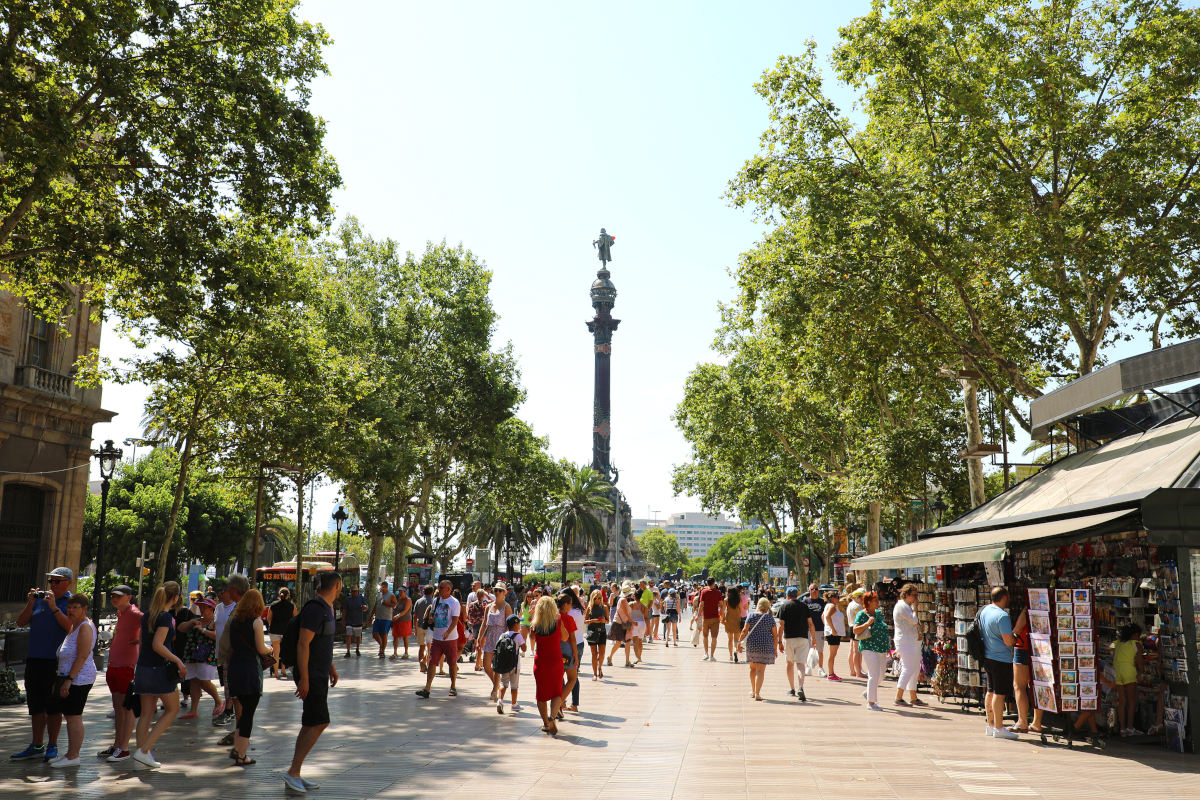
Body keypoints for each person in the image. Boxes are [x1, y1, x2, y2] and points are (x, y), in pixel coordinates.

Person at [284, 570, 341, 795]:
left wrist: (331, 667)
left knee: (311, 722)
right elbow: (303, 644)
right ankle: (292, 771)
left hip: (318, 672)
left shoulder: (327, 609)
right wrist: (304, 678)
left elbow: (321, 643)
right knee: (320, 721)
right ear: (336, 585)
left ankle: (295, 772)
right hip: (311, 674)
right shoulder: (315, 609)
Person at [11, 566, 73, 763]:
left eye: (57, 581)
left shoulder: (71, 603)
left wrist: (54, 607)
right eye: (51, 582)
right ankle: (36, 744)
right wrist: (31, 602)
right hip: (35, 659)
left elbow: (71, 627)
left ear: (68, 583)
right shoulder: (39, 601)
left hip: (55, 661)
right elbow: (20, 622)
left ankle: (52, 744)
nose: (52, 585)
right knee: (35, 705)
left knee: (53, 705)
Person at [132, 581, 188, 768]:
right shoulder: (164, 617)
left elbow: (144, 643)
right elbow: (158, 644)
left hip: (143, 668)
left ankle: (142, 752)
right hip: (158, 669)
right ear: (175, 597)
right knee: (172, 709)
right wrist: (178, 660)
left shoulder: (148, 615)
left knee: (146, 713)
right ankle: (144, 750)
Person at [46, 593, 96, 767]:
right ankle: (69, 754)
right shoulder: (74, 626)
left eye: (76, 607)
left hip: (79, 678)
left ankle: (73, 755)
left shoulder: (85, 627)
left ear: (84, 609)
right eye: (69, 607)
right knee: (69, 714)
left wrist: (69, 679)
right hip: (67, 676)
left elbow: (82, 656)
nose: (71, 610)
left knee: (74, 716)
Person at [227, 588, 274, 766]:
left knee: (242, 712)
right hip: (250, 669)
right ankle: (241, 755)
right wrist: (270, 649)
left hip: (235, 667)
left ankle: (237, 749)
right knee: (248, 714)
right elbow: (261, 649)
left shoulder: (234, 621)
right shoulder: (256, 622)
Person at [98, 584, 141, 762]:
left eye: (118, 596)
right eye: (112, 596)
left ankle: (123, 747)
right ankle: (117, 744)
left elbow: (154, 625)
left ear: (128, 597)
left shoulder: (135, 613)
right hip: (114, 665)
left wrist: (139, 641)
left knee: (125, 708)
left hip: (127, 666)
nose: (114, 598)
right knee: (118, 708)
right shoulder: (120, 613)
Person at [978, 586, 1019, 739]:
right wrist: (1015, 637)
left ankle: (991, 725)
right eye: (1008, 597)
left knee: (990, 691)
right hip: (1001, 658)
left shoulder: (985, 610)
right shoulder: (1002, 616)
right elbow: (1008, 641)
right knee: (999, 693)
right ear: (1003, 598)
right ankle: (999, 728)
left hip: (988, 656)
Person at [414, 579, 461, 699]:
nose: (438, 589)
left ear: (448, 589)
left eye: (441, 587)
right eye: (438, 587)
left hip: (450, 639)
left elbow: (455, 620)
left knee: (452, 663)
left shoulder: (454, 602)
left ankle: (453, 686)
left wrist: (448, 632)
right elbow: (432, 614)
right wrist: (431, 619)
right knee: (432, 662)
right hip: (437, 637)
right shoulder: (436, 600)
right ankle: (427, 688)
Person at [531, 596, 569, 735]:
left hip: (540, 662)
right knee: (556, 692)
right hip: (555, 661)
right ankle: (552, 717)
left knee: (541, 695)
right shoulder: (558, 621)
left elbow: (533, 639)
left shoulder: (534, 625)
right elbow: (565, 637)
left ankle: (546, 724)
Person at [179, 597, 222, 719]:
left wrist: (203, 630)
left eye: (204, 607)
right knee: (193, 681)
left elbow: (218, 636)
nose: (201, 608)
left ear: (211, 608)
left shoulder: (215, 621)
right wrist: (191, 623)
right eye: (200, 606)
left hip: (207, 655)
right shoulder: (196, 620)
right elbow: (181, 628)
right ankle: (193, 710)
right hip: (192, 654)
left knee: (204, 680)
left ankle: (218, 700)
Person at [214, 574, 247, 728]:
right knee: (228, 686)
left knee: (233, 688)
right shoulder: (220, 608)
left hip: (236, 656)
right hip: (225, 654)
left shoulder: (241, 609)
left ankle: (232, 717)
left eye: (226, 590)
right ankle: (239, 731)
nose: (222, 593)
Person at [776, 587, 817, 701]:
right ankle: (800, 687)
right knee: (800, 664)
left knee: (789, 663)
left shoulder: (784, 606)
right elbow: (811, 623)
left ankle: (792, 689)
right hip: (803, 638)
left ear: (788, 595)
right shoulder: (804, 606)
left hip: (789, 638)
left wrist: (779, 641)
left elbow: (781, 625)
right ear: (797, 595)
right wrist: (813, 638)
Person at [852, 591, 889, 711]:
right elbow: (855, 630)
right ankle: (871, 703)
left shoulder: (878, 613)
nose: (878, 602)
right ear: (868, 602)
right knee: (873, 674)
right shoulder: (861, 615)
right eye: (875, 600)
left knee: (881, 675)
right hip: (868, 647)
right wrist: (867, 623)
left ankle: (868, 692)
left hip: (881, 647)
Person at [738, 598, 780, 701]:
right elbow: (775, 635)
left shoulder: (751, 616)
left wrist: (739, 643)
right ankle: (757, 693)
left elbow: (744, 631)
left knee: (752, 668)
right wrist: (775, 649)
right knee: (761, 670)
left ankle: (753, 691)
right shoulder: (770, 618)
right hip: (765, 645)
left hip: (752, 644)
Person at [1010, 607, 1043, 734]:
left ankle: (1022, 721)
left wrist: (1010, 638)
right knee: (1036, 686)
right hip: (1041, 649)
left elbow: (1018, 630)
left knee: (1019, 686)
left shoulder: (1027, 609)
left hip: (1023, 647)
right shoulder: (1046, 608)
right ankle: (1037, 722)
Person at [892, 583, 926, 706]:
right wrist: (916, 608)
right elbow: (914, 620)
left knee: (915, 668)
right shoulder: (902, 606)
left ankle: (913, 696)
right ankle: (898, 696)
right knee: (908, 668)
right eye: (914, 595)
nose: (916, 598)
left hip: (912, 641)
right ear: (906, 595)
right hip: (905, 642)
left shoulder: (906, 605)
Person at [481, 585, 514, 700]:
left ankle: (495, 690)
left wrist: (510, 640)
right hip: (489, 637)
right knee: (486, 665)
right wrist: (480, 638)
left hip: (501, 639)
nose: (497, 592)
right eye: (496, 590)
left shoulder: (507, 607)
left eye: (500, 590)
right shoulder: (488, 606)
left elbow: (510, 626)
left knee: (496, 666)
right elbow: (484, 623)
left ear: (504, 592)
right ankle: (497, 683)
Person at [1114, 623, 1144, 736]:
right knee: (1132, 701)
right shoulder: (1137, 644)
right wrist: (1141, 673)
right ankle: (1130, 728)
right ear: (1136, 634)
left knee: (1122, 701)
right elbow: (1140, 661)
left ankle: (1122, 729)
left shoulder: (1118, 643)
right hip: (1129, 671)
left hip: (1118, 671)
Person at [557, 593, 581, 718]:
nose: (571, 606)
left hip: (555, 650)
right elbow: (572, 639)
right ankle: (558, 704)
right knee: (572, 678)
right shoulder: (568, 619)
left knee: (558, 680)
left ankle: (559, 706)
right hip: (566, 649)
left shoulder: (553, 617)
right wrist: (576, 656)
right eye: (570, 603)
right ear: (565, 604)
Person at [495, 614, 524, 714]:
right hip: (515, 666)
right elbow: (524, 648)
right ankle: (514, 704)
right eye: (519, 623)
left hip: (504, 664)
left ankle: (500, 701)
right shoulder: (518, 635)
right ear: (516, 624)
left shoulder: (502, 635)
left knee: (503, 683)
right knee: (514, 686)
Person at [266, 588, 295, 678]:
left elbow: (269, 618)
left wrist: (271, 625)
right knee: (284, 651)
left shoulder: (273, 605)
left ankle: (276, 673)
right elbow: (295, 618)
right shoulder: (291, 606)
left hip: (275, 631)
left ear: (279, 595)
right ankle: (283, 669)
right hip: (286, 631)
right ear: (288, 595)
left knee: (276, 652)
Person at [802, 584, 827, 676]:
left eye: (817, 589)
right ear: (809, 590)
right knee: (808, 649)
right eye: (813, 589)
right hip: (807, 629)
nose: (815, 591)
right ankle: (808, 668)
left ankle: (820, 668)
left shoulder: (823, 602)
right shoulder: (805, 601)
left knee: (820, 649)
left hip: (819, 628)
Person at [607, 585, 634, 668]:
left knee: (627, 642)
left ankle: (627, 661)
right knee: (619, 643)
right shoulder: (622, 600)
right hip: (620, 623)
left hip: (624, 623)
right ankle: (610, 657)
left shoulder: (624, 600)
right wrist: (632, 621)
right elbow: (626, 613)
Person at [821, 590, 846, 682]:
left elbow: (823, 616)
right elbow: (827, 616)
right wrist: (832, 629)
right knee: (832, 654)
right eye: (837, 597)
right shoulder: (832, 606)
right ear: (832, 598)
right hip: (833, 633)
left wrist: (827, 626)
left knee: (833, 654)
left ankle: (831, 673)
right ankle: (831, 674)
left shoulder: (829, 606)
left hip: (833, 632)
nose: (839, 599)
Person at [369, 580, 397, 659]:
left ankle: (382, 651)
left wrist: (386, 603)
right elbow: (375, 605)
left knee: (384, 635)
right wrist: (371, 615)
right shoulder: (379, 595)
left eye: (382, 587)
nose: (381, 589)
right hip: (378, 617)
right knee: (375, 634)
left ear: (385, 587)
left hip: (386, 618)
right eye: (380, 587)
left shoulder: (391, 595)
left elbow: (395, 605)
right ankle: (381, 646)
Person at [585, 589, 608, 679]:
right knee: (594, 654)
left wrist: (604, 620)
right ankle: (594, 674)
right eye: (595, 598)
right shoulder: (589, 608)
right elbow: (585, 621)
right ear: (592, 598)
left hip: (602, 631)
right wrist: (592, 620)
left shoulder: (604, 607)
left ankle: (600, 668)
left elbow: (608, 620)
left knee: (602, 654)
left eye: (599, 598)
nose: (597, 600)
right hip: (592, 632)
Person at [412, 584, 435, 671]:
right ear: (432, 592)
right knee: (430, 647)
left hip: (420, 626)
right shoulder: (434, 602)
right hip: (430, 628)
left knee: (421, 647)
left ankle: (421, 666)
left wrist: (415, 628)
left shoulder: (418, 601)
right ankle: (427, 663)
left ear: (423, 591)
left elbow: (415, 615)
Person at [698, 578, 723, 661]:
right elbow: (721, 604)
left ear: (707, 583)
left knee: (705, 636)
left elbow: (701, 605)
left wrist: (698, 616)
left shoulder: (703, 592)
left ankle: (706, 653)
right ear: (714, 583)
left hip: (706, 617)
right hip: (715, 617)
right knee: (714, 637)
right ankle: (712, 655)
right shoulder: (718, 592)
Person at [343, 585, 368, 658]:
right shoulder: (348, 599)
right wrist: (343, 620)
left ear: (357, 591)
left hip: (358, 620)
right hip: (349, 620)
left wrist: (365, 608)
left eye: (355, 591)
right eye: (353, 591)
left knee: (358, 636)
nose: (354, 593)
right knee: (348, 635)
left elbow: (366, 607)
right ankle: (348, 650)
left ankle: (357, 648)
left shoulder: (361, 598)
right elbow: (345, 610)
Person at [845, 588, 865, 678]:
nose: (862, 600)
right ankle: (858, 672)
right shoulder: (858, 606)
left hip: (851, 626)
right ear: (857, 597)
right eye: (861, 597)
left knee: (852, 650)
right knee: (857, 651)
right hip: (856, 627)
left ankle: (853, 670)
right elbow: (861, 618)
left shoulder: (850, 604)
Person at [627, 584, 648, 664]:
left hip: (634, 623)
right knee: (640, 641)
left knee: (635, 642)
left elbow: (627, 614)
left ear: (635, 596)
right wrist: (648, 629)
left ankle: (637, 657)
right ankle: (640, 657)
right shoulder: (644, 606)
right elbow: (646, 618)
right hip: (642, 623)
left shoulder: (631, 604)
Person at [390, 586, 413, 659]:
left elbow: (405, 610)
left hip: (405, 621)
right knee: (395, 637)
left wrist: (397, 616)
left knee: (405, 637)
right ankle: (395, 653)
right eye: (399, 592)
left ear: (405, 592)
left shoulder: (408, 600)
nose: (399, 593)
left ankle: (406, 652)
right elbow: (394, 609)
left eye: (401, 592)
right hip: (396, 621)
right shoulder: (399, 599)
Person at [722, 585, 743, 662]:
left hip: (729, 620)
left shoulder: (726, 600)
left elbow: (723, 611)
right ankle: (735, 651)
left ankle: (730, 655)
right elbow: (741, 610)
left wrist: (723, 619)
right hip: (737, 620)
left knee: (730, 639)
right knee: (736, 639)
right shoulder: (739, 600)